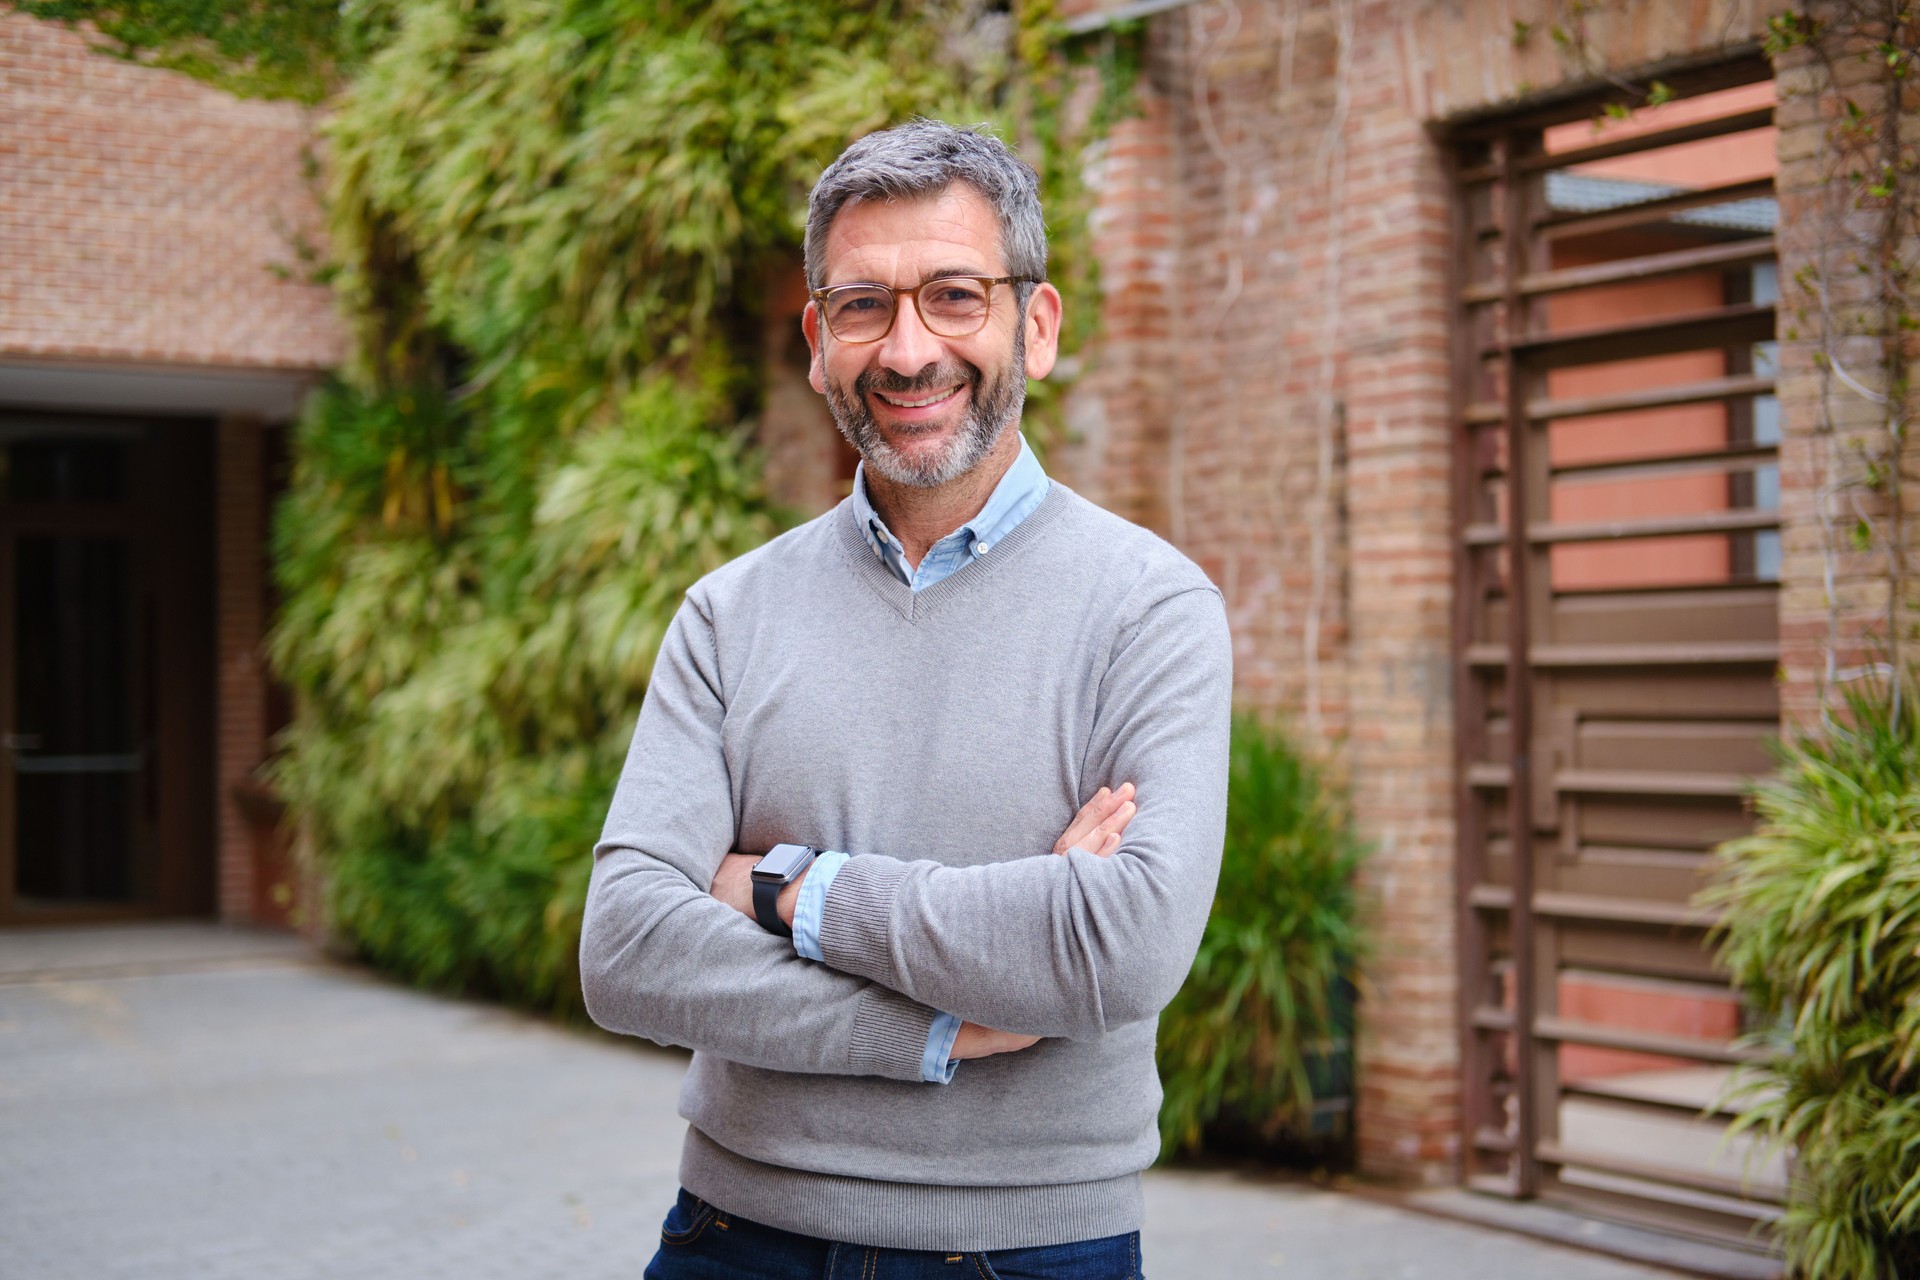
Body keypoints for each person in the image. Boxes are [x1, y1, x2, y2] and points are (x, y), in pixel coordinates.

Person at [581, 118, 1232, 1280]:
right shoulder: (729, 613)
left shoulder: (1150, 608)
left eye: (953, 295)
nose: (908, 349)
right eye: (864, 306)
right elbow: (626, 944)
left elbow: (1116, 949)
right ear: (820, 339)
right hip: (734, 1238)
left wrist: (788, 887)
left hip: (1031, 1248)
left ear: (1035, 322)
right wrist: (935, 1029)